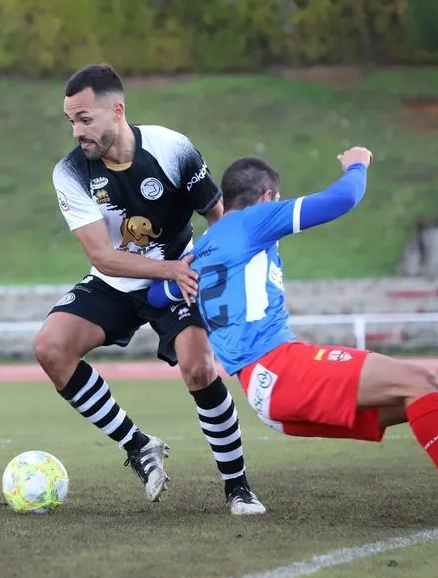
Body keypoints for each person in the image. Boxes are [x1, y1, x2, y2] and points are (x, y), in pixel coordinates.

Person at [147, 147, 438, 528]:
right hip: (279, 368)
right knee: (420, 380)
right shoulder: (252, 221)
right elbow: (342, 198)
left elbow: (157, 296)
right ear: (267, 197)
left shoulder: (203, 251)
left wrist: (172, 273)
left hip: (264, 388)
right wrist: (357, 162)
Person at [33, 63, 266, 514]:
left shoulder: (171, 148)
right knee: (50, 348)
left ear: (117, 111)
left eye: (85, 119)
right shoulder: (70, 173)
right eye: (71, 121)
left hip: (182, 273)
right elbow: (101, 257)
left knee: (199, 369)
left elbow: (217, 217)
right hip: (118, 279)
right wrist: (169, 271)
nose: (77, 131)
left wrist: (218, 273)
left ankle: (237, 486)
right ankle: (139, 446)